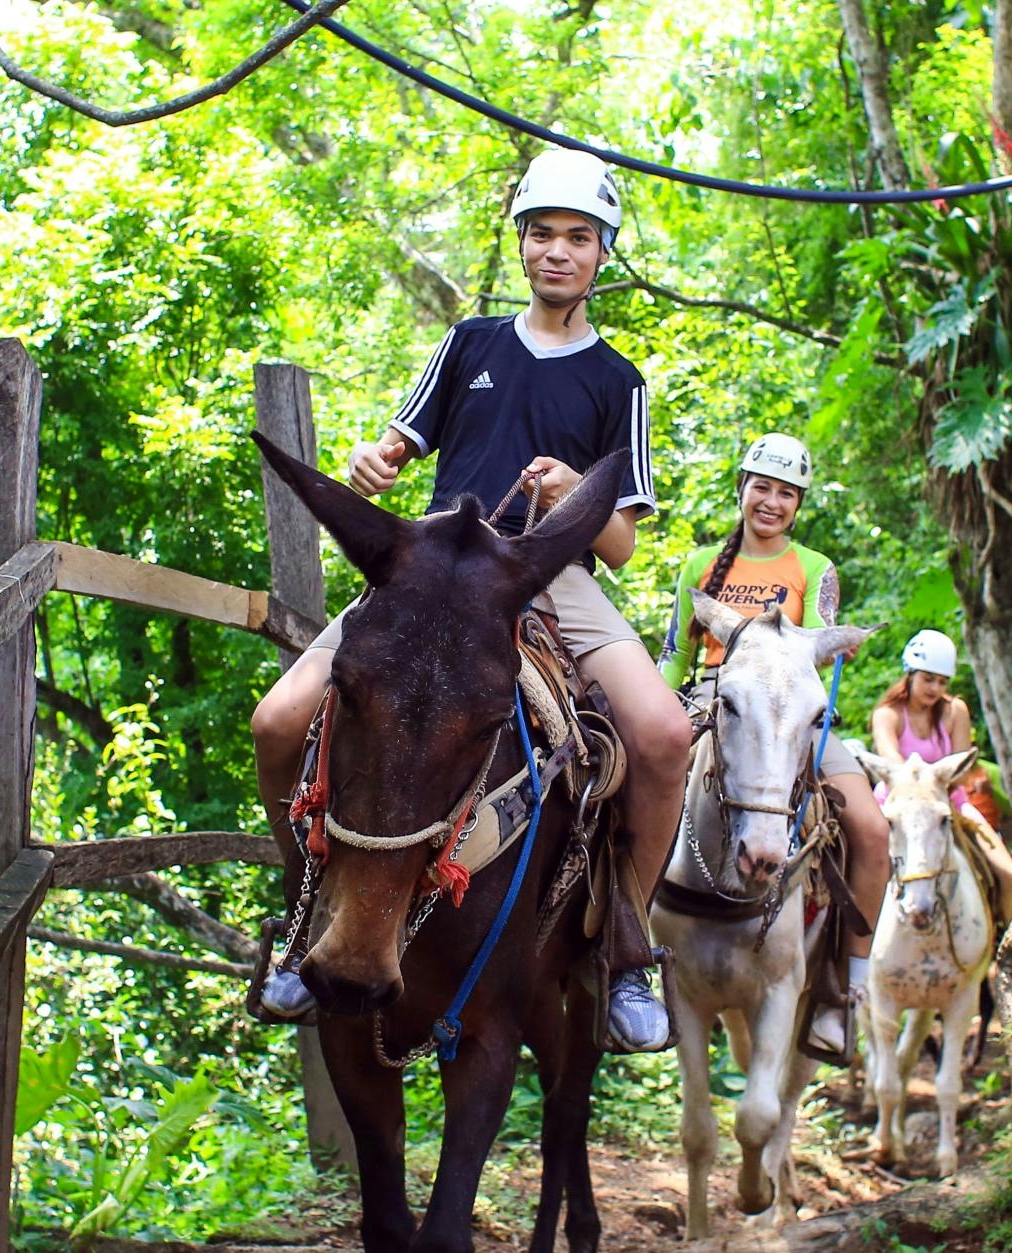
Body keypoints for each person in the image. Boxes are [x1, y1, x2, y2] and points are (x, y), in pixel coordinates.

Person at [249, 147, 693, 1052]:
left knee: (663, 735)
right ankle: (302, 923)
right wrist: (375, 464)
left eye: (578, 237)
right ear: (522, 243)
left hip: (551, 577)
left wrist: (575, 491)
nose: (558, 252)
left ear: (603, 253)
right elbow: (395, 447)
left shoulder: (619, 380)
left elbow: (621, 541)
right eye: (542, 234)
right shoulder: (471, 343)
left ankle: (629, 947)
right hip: (433, 574)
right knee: (275, 719)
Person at [657, 433, 891, 1060]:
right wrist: (656, 713)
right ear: (742, 489)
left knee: (870, 829)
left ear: (798, 504)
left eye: (786, 493)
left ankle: (846, 992)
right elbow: (677, 652)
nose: (772, 501)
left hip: (789, 714)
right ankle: (622, 961)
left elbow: (818, 664)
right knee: (622, 794)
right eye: (762, 486)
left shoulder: (815, 569)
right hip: (711, 699)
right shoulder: (699, 565)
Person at [869, 630, 1012, 922]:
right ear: (910, 674)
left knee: (1008, 874)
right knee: (862, 870)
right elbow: (896, 768)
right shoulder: (888, 714)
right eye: (928, 679)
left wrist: (939, 789)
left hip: (948, 803)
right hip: (896, 808)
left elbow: (961, 769)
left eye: (942, 682)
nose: (935, 688)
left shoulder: (955, 711)